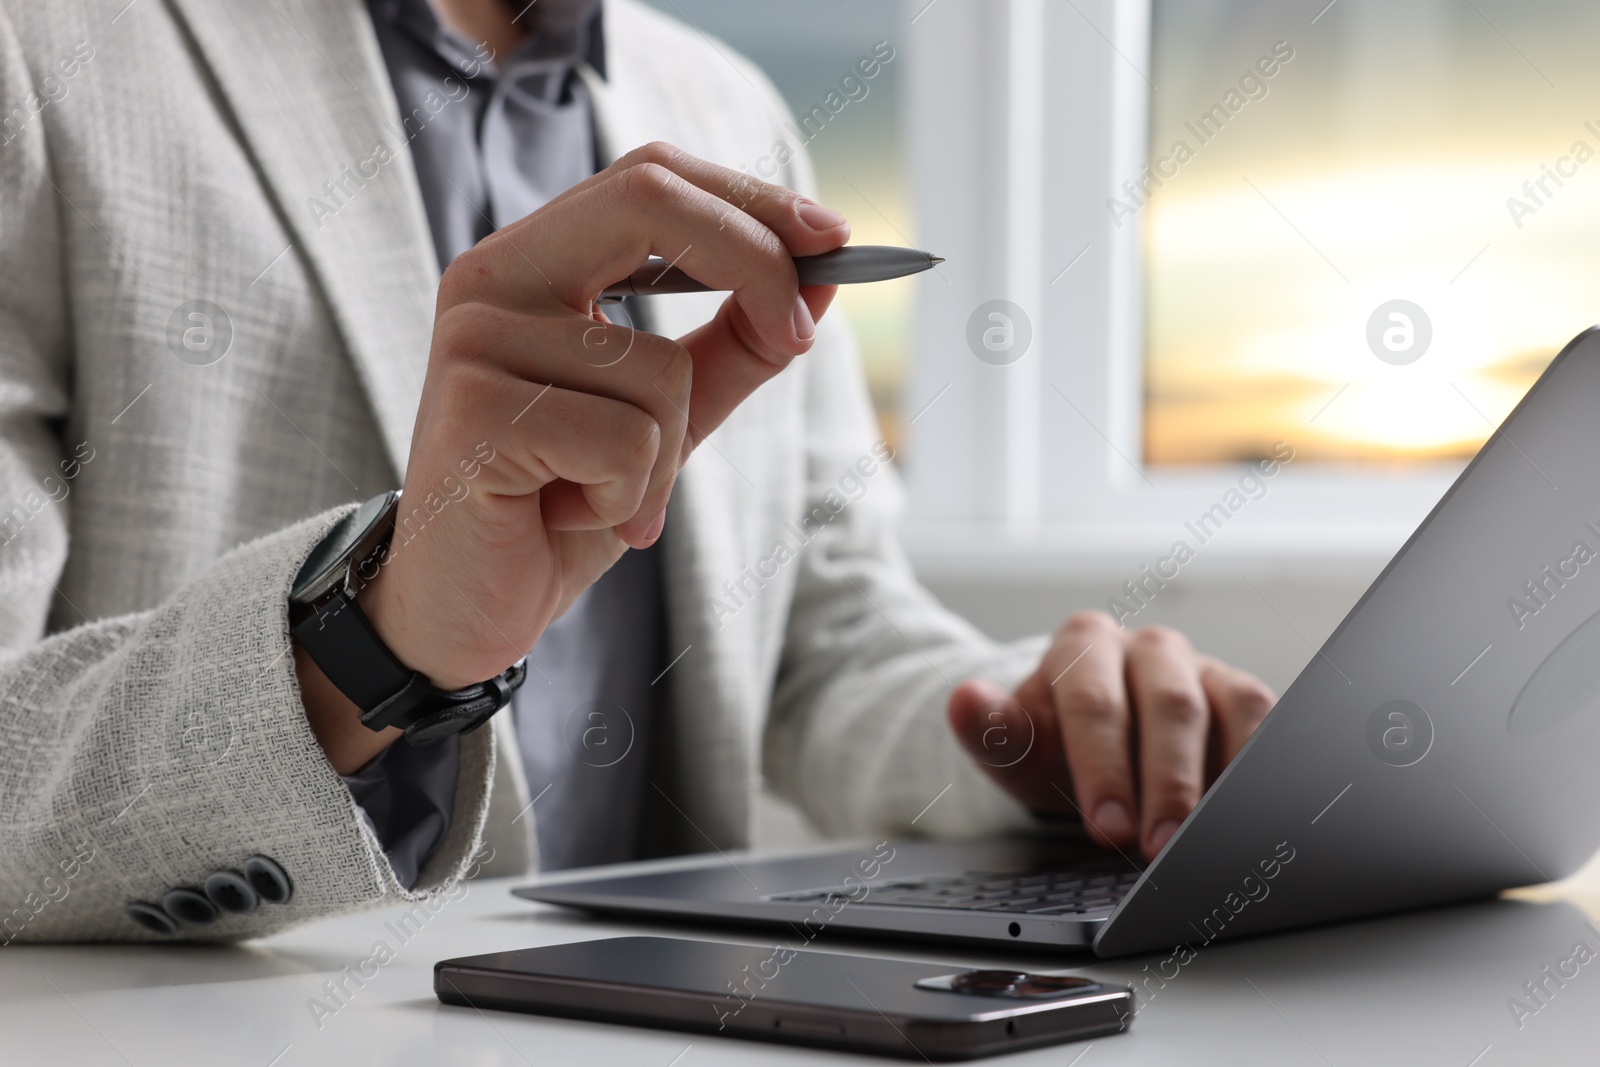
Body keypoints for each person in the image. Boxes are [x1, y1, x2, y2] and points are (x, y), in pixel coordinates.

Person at [0, 0, 1275, 942]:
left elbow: (827, 639)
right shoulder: (44, 54)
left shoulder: (730, 111)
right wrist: (369, 644)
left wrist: (1030, 728)